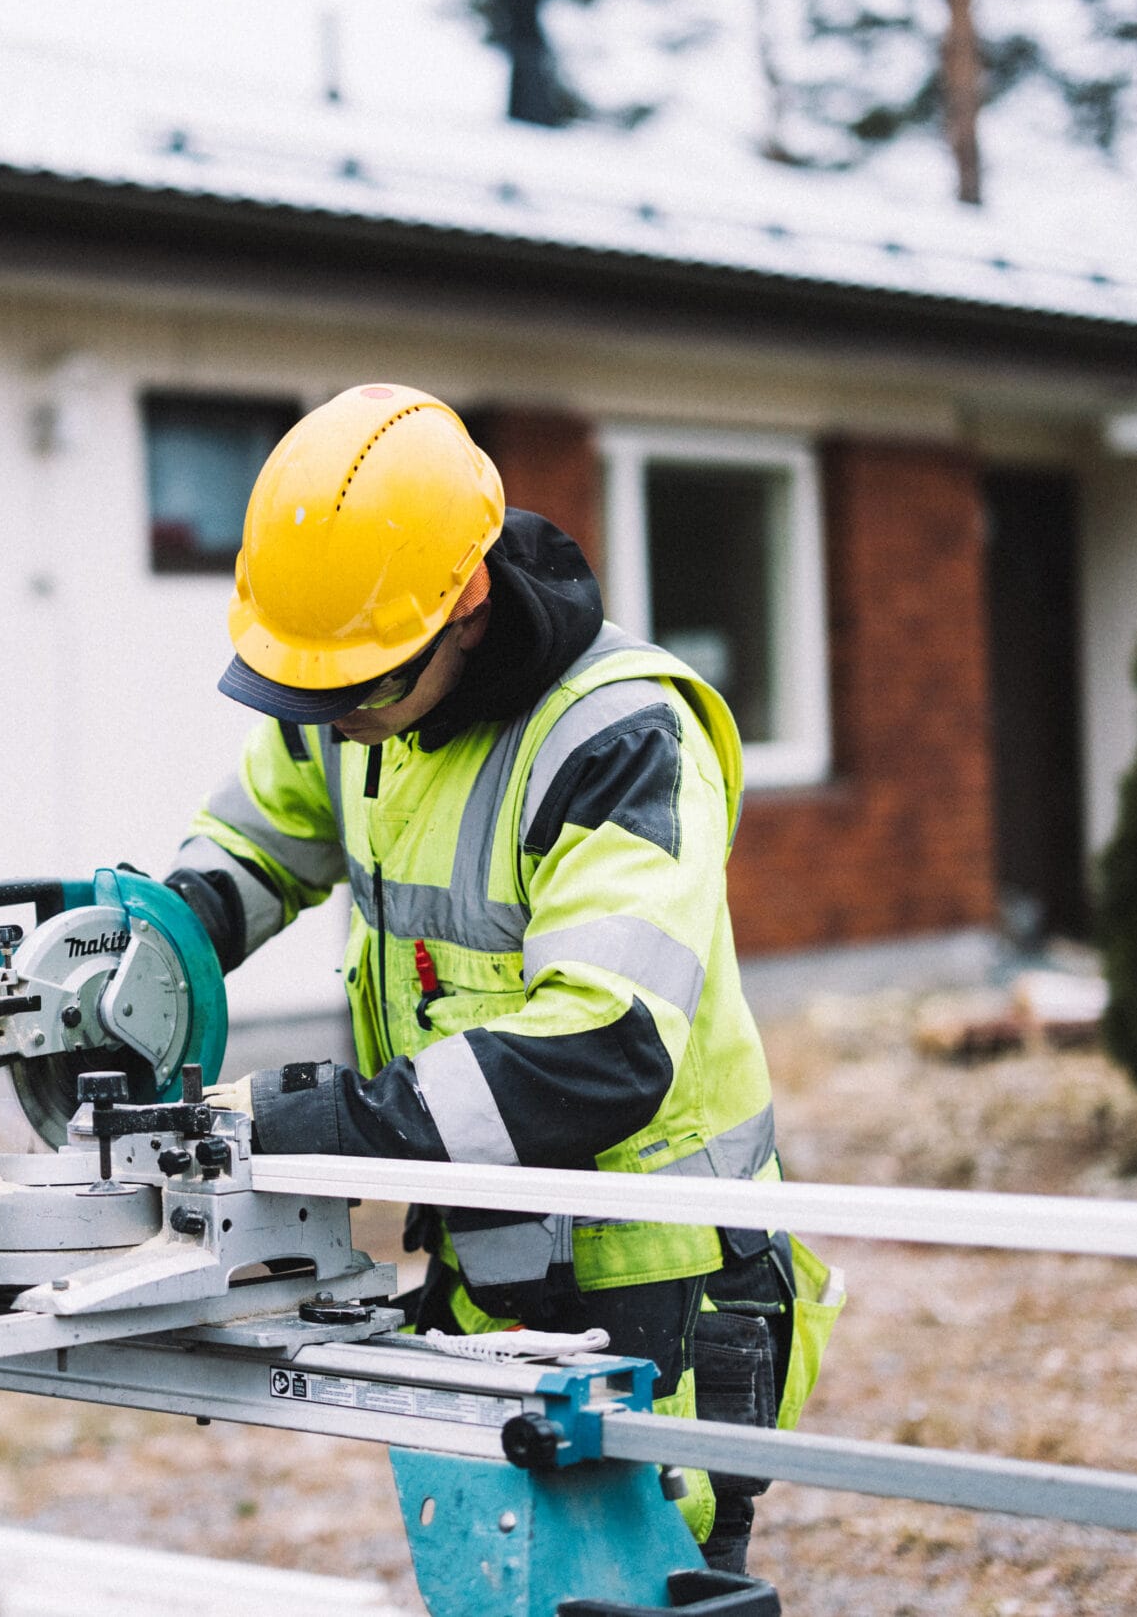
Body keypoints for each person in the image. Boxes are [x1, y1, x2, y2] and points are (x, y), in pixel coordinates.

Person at [160, 382, 839, 1573]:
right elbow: (255, 846)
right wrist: (139, 955)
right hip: (489, 1262)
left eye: (356, 689)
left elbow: (604, 1046)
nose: (333, 720)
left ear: (466, 602)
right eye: (304, 691)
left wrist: (303, 1122)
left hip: (656, 1286)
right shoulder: (362, 683)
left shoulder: (615, 735)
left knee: (635, 1599)